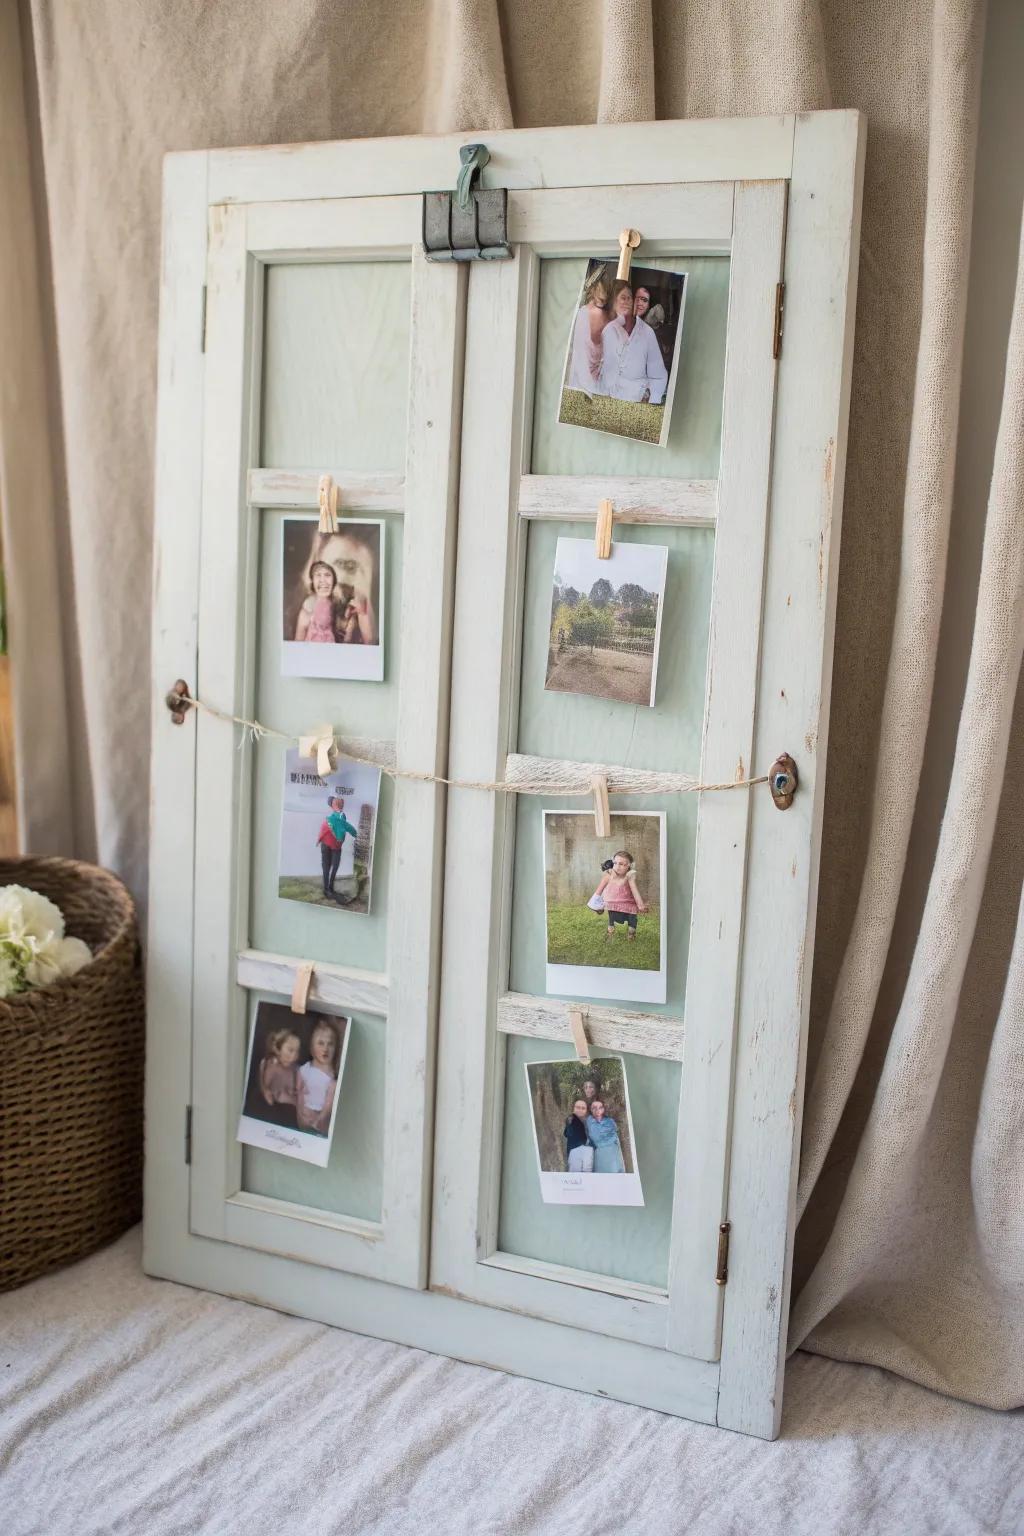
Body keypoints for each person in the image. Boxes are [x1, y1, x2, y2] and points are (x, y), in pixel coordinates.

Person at [288, 527, 380, 647]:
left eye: (352, 567)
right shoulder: (308, 611)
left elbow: (370, 640)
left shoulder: (358, 614)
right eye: (340, 564)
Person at [599, 283, 669, 405]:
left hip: (636, 402)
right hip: (606, 400)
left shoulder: (648, 333)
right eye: (623, 298)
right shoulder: (608, 330)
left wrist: (650, 398)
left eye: (644, 300)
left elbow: (659, 376)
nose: (639, 304)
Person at [567, 267, 611, 395]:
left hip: (579, 378)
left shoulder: (583, 312)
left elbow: (577, 351)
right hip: (594, 381)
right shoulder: (602, 315)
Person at [592, 849, 648, 942]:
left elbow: (634, 890)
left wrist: (640, 905)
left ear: (629, 865)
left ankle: (631, 935)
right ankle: (610, 933)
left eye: (622, 864)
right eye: (615, 863)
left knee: (632, 920)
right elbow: (599, 891)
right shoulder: (608, 874)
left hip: (628, 903)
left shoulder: (629, 875)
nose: (618, 867)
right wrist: (597, 904)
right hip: (612, 903)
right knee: (611, 918)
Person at [296, 1019, 341, 1135]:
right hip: (304, 1112)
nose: (325, 1048)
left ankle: (320, 1120)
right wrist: (301, 1110)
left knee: (334, 1086)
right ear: (312, 1048)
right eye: (320, 1043)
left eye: (330, 1044)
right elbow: (298, 1092)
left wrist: (320, 1116)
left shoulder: (333, 1076)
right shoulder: (305, 1069)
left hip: (322, 1115)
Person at [316, 795, 358, 902]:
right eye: (336, 803)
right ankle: (327, 889)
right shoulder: (336, 817)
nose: (340, 804)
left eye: (340, 803)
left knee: (333, 866)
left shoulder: (339, 816)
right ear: (332, 805)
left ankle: (329, 888)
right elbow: (342, 827)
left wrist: (353, 834)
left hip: (333, 845)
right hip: (328, 844)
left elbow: (345, 827)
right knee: (328, 866)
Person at [257, 1027, 300, 1126]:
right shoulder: (271, 1065)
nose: (293, 1056)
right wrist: (266, 1091)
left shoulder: (294, 1068)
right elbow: (265, 1090)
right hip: (276, 1110)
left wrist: (294, 1091)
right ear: (277, 1048)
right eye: (290, 1050)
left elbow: (295, 1087)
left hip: (292, 1107)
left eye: (297, 1052)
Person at [294, 560, 340, 643]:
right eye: (318, 575)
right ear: (312, 581)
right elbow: (297, 646)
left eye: (327, 575)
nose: (323, 580)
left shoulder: (339, 607)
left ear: (334, 580)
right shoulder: (306, 612)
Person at [586, 1099, 626, 1174]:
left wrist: (605, 1138)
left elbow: (614, 1136)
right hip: (601, 1154)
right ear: (590, 1109)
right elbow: (596, 1139)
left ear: (603, 1109)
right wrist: (607, 1136)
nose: (597, 1110)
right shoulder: (590, 1120)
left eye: (600, 1107)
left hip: (614, 1154)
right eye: (594, 1108)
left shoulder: (610, 1121)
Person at [563, 1098, 595, 1173]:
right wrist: (569, 1124)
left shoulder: (589, 1120)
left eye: (583, 1108)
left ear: (586, 1110)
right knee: (575, 1174)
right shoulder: (572, 1118)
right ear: (573, 1108)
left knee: (588, 1173)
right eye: (578, 1107)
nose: (580, 1110)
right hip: (575, 1150)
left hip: (588, 1150)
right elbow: (567, 1133)